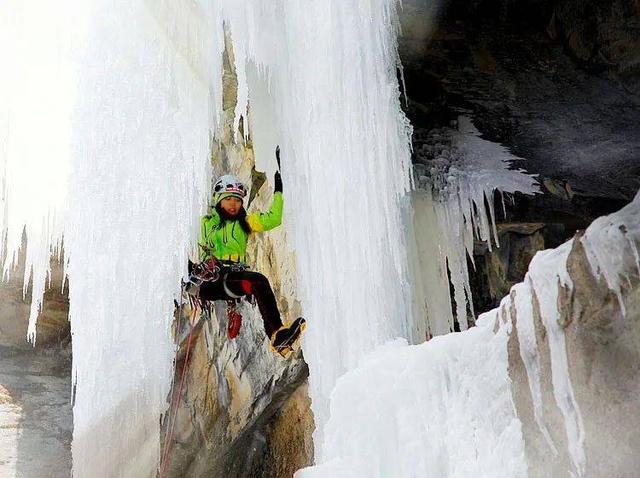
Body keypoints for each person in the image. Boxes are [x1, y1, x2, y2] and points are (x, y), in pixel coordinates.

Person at [194, 157, 304, 356]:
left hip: (231, 279)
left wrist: (279, 189)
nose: (233, 204)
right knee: (254, 280)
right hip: (207, 281)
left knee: (258, 281)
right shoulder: (205, 223)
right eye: (228, 199)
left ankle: (278, 336)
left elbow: (273, 219)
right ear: (218, 199)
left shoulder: (245, 223)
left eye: (237, 200)